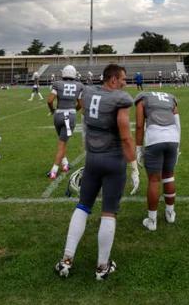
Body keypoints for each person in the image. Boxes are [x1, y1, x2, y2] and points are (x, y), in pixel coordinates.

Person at [55, 64, 139, 280]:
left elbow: (82, 110)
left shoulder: (89, 91)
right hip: (113, 161)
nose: (125, 83)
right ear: (112, 79)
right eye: (122, 79)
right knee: (109, 212)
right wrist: (134, 164)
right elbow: (125, 133)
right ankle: (102, 267)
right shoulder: (120, 99)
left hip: (92, 159)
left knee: (83, 206)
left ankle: (66, 260)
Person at [134, 90, 181, 231]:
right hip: (173, 137)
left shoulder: (142, 99)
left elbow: (139, 125)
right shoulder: (171, 98)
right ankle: (170, 213)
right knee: (169, 176)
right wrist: (177, 145)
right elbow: (178, 124)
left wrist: (138, 148)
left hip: (154, 138)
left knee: (154, 180)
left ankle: (152, 220)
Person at [46, 65, 83, 180]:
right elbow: (80, 104)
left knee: (62, 141)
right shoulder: (80, 86)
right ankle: (54, 171)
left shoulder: (57, 84)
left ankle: (65, 164)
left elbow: (49, 100)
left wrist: (52, 110)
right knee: (62, 144)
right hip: (69, 116)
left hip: (58, 115)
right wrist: (73, 111)